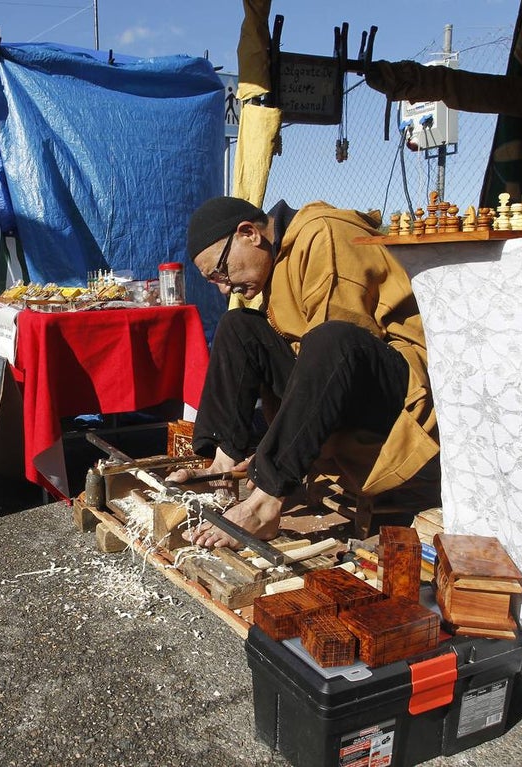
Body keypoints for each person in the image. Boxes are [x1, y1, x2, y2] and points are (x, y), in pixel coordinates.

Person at [171, 196, 439, 548]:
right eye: (214, 281)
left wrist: (276, 459)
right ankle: (224, 463)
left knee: (331, 339)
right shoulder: (277, 259)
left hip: (400, 391)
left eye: (222, 272)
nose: (224, 287)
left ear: (249, 233)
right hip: (334, 373)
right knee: (239, 326)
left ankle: (266, 503)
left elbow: (340, 361)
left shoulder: (322, 235)